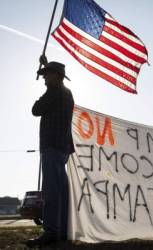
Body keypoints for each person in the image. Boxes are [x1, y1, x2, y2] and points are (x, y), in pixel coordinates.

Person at [26, 55, 74, 247]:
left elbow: (36, 109)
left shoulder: (53, 92)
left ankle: (51, 232)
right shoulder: (65, 92)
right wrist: (47, 65)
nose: (44, 78)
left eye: (47, 75)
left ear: (57, 76)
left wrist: (46, 87)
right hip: (61, 148)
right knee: (60, 191)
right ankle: (61, 231)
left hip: (52, 147)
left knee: (52, 191)